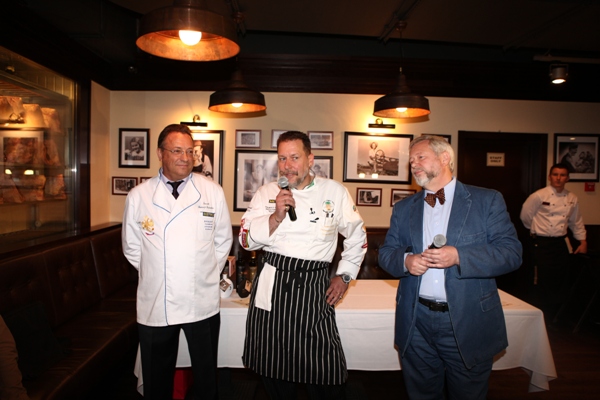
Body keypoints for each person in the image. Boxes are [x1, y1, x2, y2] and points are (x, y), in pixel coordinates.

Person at [378, 135, 522, 400]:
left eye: (420, 157)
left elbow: (511, 253)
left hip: (468, 321)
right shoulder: (403, 208)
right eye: (411, 160)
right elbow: (386, 254)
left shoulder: (486, 200)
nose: (413, 164)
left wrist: (459, 256)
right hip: (416, 322)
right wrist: (406, 261)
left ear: (445, 158)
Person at [239, 131, 367, 400]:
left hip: (314, 286)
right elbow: (246, 241)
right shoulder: (266, 193)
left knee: (324, 369)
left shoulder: (334, 192)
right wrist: (275, 216)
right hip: (273, 284)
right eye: (282, 158)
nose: (287, 165)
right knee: (273, 368)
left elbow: (357, 236)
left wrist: (344, 275)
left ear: (310, 159)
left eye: (294, 157)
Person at [122, 124, 233, 400]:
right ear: (160, 153)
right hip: (157, 301)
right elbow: (132, 247)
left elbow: (222, 241)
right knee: (156, 380)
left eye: (190, 151)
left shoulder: (212, 191)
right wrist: (158, 271)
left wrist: (203, 273)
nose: (185, 157)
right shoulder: (139, 195)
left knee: (206, 378)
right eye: (177, 151)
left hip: (200, 300)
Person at [520, 163, 587, 319]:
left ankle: (558, 315)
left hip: (560, 243)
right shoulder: (539, 195)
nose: (558, 178)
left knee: (561, 278)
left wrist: (582, 241)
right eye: (555, 174)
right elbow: (525, 217)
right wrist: (536, 230)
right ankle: (542, 313)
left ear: (567, 178)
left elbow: (576, 221)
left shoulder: (572, 198)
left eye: (562, 175)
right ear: (550, 177)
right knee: (542, 278)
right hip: (541, 243)